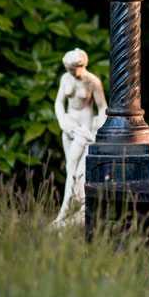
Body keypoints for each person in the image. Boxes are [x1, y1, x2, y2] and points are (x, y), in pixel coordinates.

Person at [52, 47, 107, 226]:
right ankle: (75, 211)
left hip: (85, 130)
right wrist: (62, 121)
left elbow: (102, 108)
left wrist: (97, 129)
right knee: (71, 169)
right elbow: (59, 102)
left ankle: (67, 213)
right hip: (69, 128)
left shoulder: (93, 81)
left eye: (71, 69)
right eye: (67, 69)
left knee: (77, 171)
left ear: (81, 66)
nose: (69, 72)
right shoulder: (65, 78)